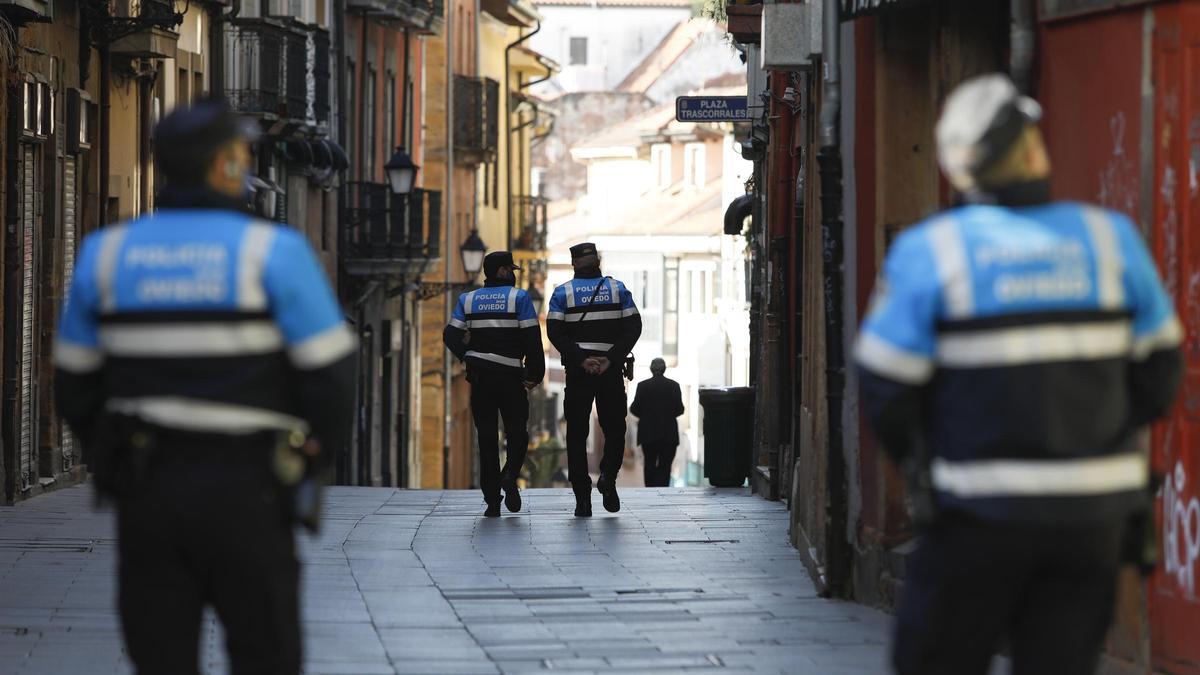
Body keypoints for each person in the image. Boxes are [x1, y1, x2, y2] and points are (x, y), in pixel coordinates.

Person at [855, 73, 1183, 675]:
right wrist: (1099, 432)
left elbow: (884, 385)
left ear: (957, 168)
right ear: (1032, 151)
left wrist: (926, 459)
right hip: (1091, 517)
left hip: (976, 512)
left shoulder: (933, 251)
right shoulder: (1108, 239)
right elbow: (1161, 370)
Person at [52, 99, 356, 675]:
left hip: (148, 488)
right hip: (250, 488)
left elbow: (73, 380)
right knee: (266, 653)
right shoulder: (274, 252)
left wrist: (110, 456)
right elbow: (333, 374)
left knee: (160, 655)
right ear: (224, 164)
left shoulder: (106, 254)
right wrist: (312, 455)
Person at [443, 251, 544, 517]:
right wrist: (534, 373)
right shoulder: (519, 297)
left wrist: (467, 355)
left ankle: (492, 501)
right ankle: (509, 475)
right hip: (510, 378)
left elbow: (450, 334)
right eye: (510, 269)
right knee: (517, 432)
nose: (512, 274)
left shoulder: (468, 299)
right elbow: (532, 338)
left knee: (486, 438)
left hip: (480, 379)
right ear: (502, 271)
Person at [546, 243, 642, 516]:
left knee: (577, 434)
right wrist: (611, 358)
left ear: (575, 264)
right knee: (615, 428)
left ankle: (582, 500)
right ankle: (608, 477)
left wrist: (581, 359)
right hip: (610, 372)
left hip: (579, 373)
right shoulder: (618, 289)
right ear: (597, 262)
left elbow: (554, 331)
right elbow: (634, 327)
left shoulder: (563, 293)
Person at [629, 358, 684, 487]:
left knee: (649, 463)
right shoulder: (674, 386)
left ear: (651, 369)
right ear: (664, 369)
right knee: (665, 466)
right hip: (668, 433)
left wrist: (645, 416)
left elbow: (634, 408)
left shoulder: (642, 386)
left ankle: (650, 490)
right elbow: (680, 409)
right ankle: (662, 489)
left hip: (648, 433)